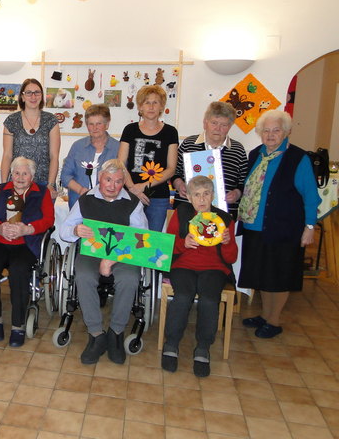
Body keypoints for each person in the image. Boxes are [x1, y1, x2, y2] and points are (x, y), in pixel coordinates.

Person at [238, 110, 320, 339]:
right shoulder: (255, 154)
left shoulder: (297, 158)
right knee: (263, 274)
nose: (271, 135)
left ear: (286, 132)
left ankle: (274, 320)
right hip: (256, 227)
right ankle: (264, 315)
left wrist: (309, 227)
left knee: (280, 275)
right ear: (260, 133)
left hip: (284, 228)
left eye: (276, 130)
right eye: (266, 130)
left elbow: (311, 196)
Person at [59, 159, 148, 365]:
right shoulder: (86, 199)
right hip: (93, 252)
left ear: (123, 182)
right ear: (100, 179)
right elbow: (64, 230)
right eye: (108, 180)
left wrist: (111, 259)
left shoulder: (132, 203)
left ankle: (116, 331)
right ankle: (96, 333)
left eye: (118, 181)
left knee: (129, 278)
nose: (112, 186)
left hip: (124, 253)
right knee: (83, 275)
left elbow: (143, 238)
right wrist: (75, 230)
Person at [162, 175, 238, 377]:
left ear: (212, 195)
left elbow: (231, 258)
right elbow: (166, 247)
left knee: (209, 299)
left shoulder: (224, 219)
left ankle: (203, 347)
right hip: (183, 265)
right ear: (189, 198)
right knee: (183, 297)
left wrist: (228, 242)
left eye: (206, 194)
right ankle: (171, 343)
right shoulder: (182, 213)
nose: (202, 199)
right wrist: (182, 243)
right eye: (197, 195)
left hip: (213, 268)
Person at [0, 157, 54, 347]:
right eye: (16, 173)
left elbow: (48, 220)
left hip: (26, 243)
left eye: (25, 173)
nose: (20, 177)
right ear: (11, 174)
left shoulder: (42, 192)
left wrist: (27, 229)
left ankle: (17, 324)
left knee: (19, 271)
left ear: (32, 176)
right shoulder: (1, 190)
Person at [117, 85, 178, 232]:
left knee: (149, 243)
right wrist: (133, 188)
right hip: (129, 194)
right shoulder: (130, 130)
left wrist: (143, 187)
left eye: (155, 102)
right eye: (147, 102)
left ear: (161, 106)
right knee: (128, 240)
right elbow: (120, 163)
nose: (151, 107)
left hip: (158, 198)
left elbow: (171, 169)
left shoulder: (170, 132)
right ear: (140, 107)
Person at [172, 101, 248, 219]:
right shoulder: (188, 144)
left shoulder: (238, 149)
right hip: (187, 210)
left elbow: (243, 182)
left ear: (230, 126)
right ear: (205, 123)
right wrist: (179, 184)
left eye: (224, 125)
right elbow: (174, 172)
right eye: (214, 123)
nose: (218, 128)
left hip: (222, 213)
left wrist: (237, 194)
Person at [0, 78, 61, 197]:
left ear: (41, 96)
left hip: (43, 184)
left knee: (42, 216)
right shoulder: (11, 121)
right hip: (17, 183)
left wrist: (50, 184)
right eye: (28, 93)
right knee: (16, 216)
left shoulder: (51, 120)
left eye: (37, 92)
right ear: (22, 97)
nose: (33, 96)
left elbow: (54, 156)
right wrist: (3, 185)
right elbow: (7, 155)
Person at [60, 104, 120, 208]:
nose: (94, 128)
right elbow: (65, 176)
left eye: (99, 124)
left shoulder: (118, 148)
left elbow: (122, 178)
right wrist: (81, 190)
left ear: (107, 124)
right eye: (91, 124)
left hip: (108, 205)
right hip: (79, 203)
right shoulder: (78, 146)